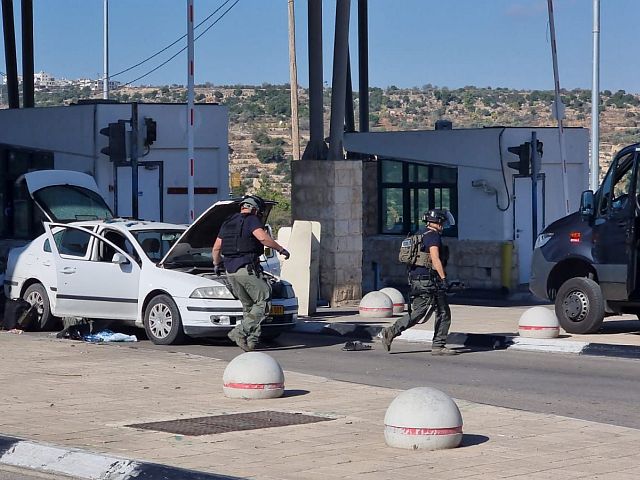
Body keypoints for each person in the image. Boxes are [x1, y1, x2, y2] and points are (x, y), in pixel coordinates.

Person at [212, 195, 290, 351]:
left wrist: (216, 263)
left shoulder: (227, 222)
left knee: (249, 307)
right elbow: (263, 238)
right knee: (264, 301)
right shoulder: (251, 219)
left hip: (230, 271)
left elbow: (216, 248)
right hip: (246, 268)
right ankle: (239, 332)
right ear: (255, 209)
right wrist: (280, 249)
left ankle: (252, 342)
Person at [380, 209, 459, 356]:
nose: (444, 225)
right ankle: (437, 346)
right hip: (429, 281)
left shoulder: (420, 234)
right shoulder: (434, 236)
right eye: (443, 222)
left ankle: (392, 332)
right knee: (442, 312)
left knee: (420, 312)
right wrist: (444, 279)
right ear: (439, 222)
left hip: (417, 279)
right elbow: (435, 259)